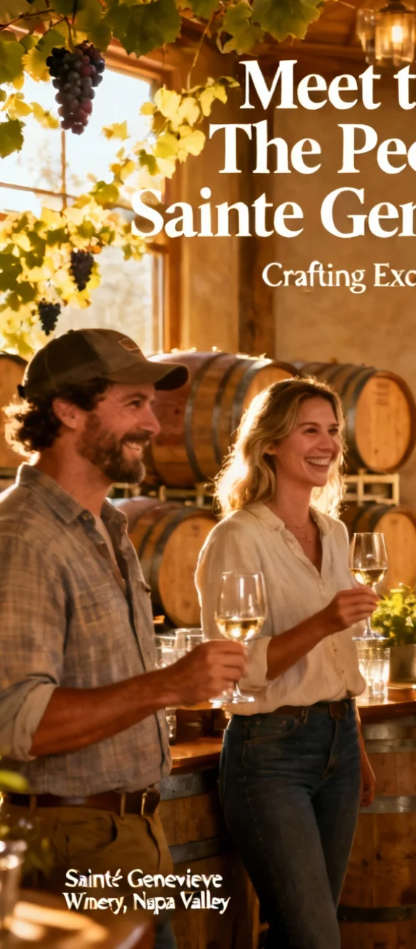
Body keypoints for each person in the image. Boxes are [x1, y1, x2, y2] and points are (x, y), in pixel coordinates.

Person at [0, 329, 247, 949]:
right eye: (133, 404)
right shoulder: (23, 538)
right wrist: (169, 684)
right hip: (67, 845)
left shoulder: (107, 526)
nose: (155, 426)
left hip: (130, 835)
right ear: (68, 410)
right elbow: (15, 723)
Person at [195, 377, 379, 949]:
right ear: (271, 442)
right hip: (268, 752)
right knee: (315, 938)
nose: (326, 444)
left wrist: (355, 747)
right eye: (310, 430)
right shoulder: (238, 538)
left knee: (305, 929)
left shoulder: (335, 531)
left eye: (333, 432)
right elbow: (240, 668)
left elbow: (339, 659)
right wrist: (323, 619)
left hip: (338, 745)